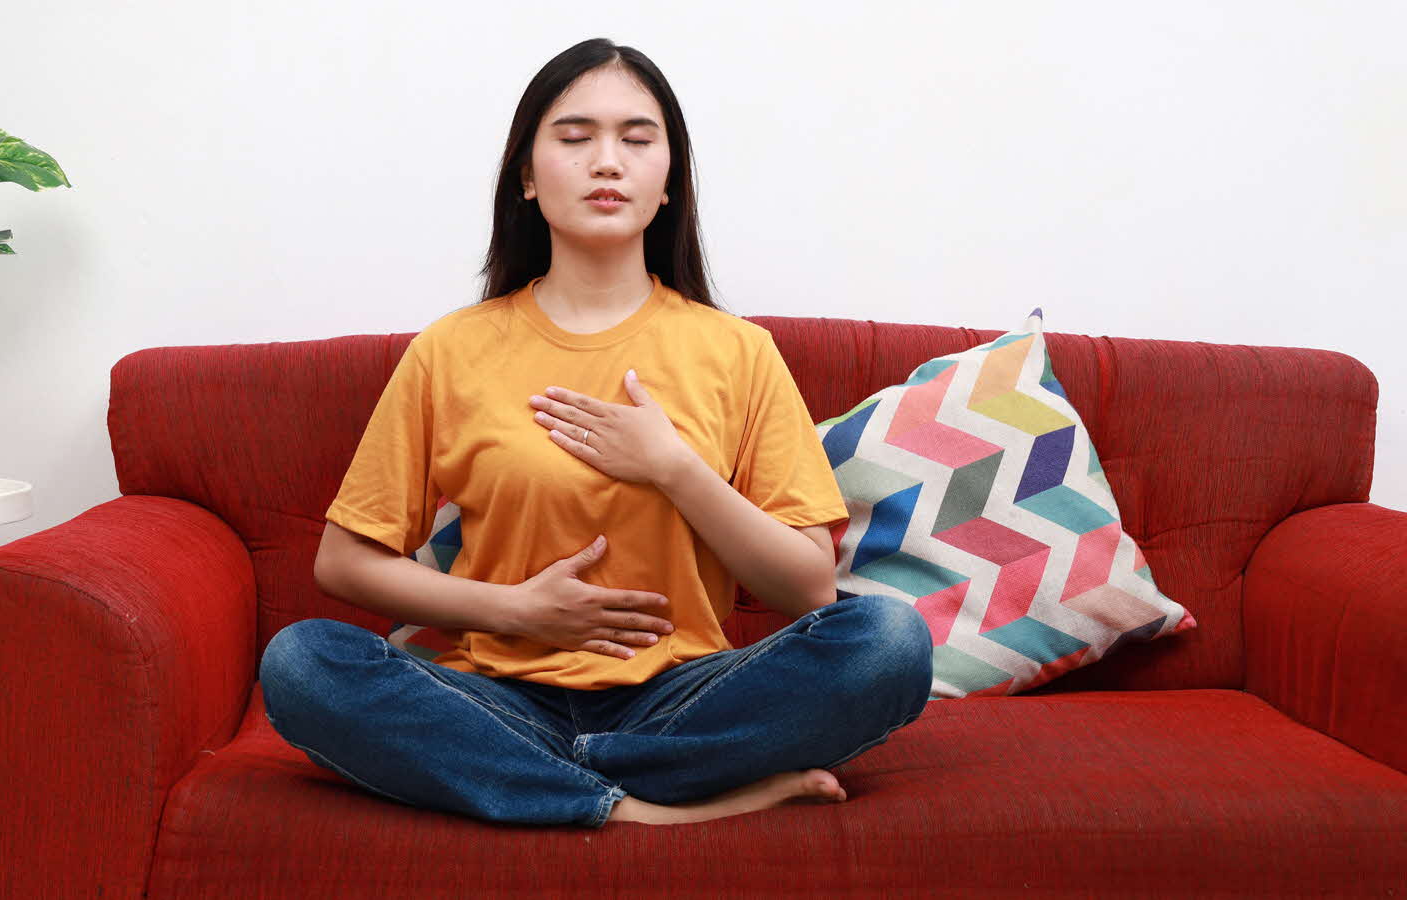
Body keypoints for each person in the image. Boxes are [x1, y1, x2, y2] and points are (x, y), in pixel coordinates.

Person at [259, 37, 933, 829]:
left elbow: (807, 587)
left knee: (888, 638)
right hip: (498, 695)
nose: (607, 162)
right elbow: (344, 562)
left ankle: (547, 786)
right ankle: (645, 804)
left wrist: (673, 467)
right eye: (575, 139)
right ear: (526, 175)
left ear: (668, 181)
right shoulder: (452, 349)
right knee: (302, 663)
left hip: (683, 697)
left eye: (637, 140)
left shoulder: (735, 349)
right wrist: (515, 612)